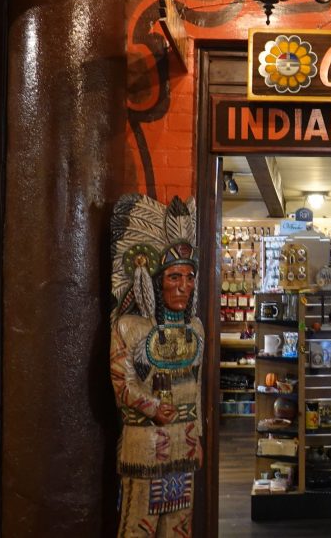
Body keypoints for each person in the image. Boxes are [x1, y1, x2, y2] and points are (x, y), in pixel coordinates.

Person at [110, 195, 203, 538]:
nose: (183, 285)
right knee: (139, 525)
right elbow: (122, 384)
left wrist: (200, 438)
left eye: (189, 277)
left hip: (184, 443)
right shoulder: (130, 327)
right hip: (146, 445)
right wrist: (152, 406)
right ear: (156, 280)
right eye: (174, 277)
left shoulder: (196, 329)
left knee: (179, 527)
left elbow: (198, 387)